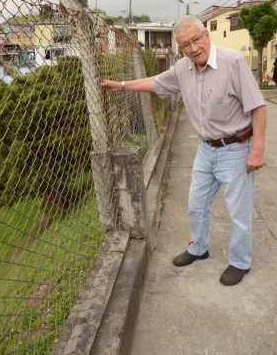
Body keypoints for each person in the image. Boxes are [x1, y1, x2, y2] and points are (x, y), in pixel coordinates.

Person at [101, 17, 266, 286]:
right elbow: (155, 83)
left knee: (239, 211)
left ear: (206, 36)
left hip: (235, 148)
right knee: (195, 204)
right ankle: (198, 248)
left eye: (196, 40)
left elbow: (258, 106)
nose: (192, 48)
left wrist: (257, 149)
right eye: (185, 44)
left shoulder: (232, 62)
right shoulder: (183, 69)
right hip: (205, 149)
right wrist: (120, 85)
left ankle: (239, 261)